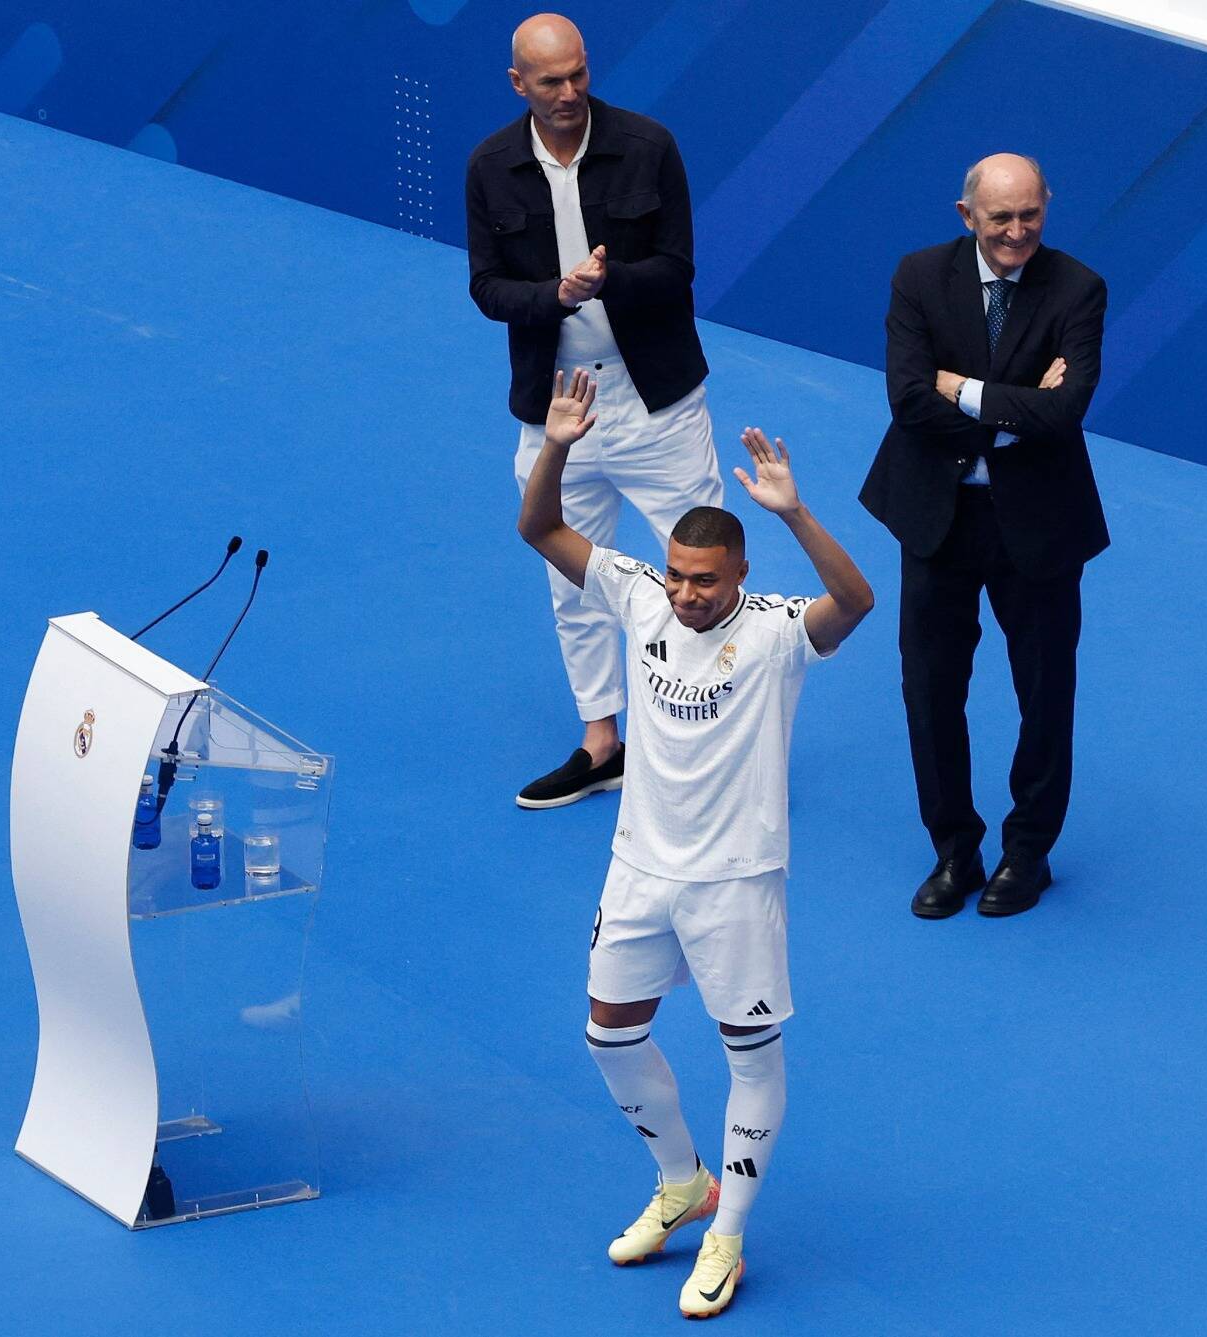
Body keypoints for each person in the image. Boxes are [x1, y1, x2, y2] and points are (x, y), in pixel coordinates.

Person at [519, 369, 873, 1317]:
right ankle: (683, 1181)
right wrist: (556, 444)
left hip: (734, 883)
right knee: (608, 1032)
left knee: (747, 1053)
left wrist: (796, 513)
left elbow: (859, 598)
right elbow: (540, 531)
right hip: (639, 867)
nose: (684, 592)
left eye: (704, 579)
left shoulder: (778, 633)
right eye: (676, 573)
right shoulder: (639, 596)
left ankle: (729, 1231)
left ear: (742, 578)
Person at [468, 12, 723, 810]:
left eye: (579, 74)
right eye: (552, 82)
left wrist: (605, 282)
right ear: (520, 86)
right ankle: (602, 742)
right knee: (572, 579)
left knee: (703, 569)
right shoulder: (489, 167)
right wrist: (555, 295)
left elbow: (678, 266)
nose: (572, 92)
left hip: (658, 403)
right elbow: (486, 288)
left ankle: (713, 736)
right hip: (558, 406)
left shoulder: (649, 144)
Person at [858, 152, 1109, 920]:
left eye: (1030, 213)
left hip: (1036, 525)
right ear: (966, 215)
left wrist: (962, 389)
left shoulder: (1078, 287)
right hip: (937, 517)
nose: (1017, 231)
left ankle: (1028, 851)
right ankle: (956, 849)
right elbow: (906, 400)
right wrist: (1015, 407)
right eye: (1000, 217)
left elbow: (1066, 413)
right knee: (930, 689)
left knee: (1045, 691)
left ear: (1047, 205)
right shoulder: (917, 277)